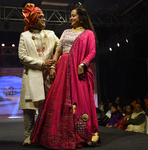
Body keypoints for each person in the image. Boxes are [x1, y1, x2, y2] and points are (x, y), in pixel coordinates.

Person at [31, 6, 100, 149]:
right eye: (71, 16)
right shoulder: (66, 32)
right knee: (58, 101)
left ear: (81, 17)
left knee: (80, 101)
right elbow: (59, 50)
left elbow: (92, 53)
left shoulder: (88, 34)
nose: (71, 18)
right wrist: (52, 67)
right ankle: (54, 135)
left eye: (73, 15)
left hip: (78, 69)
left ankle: (82, 134)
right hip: (62, 68)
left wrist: (83, 64)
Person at [18, 3, 59, 146]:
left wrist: (53, 65)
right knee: (29, 109)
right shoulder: (24, 36)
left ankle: (47, 134)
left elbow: (60, 48)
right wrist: (42, 63)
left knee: (49, 107)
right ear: (33, 19)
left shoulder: (51, 34)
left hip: (49, 76)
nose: (44, 19)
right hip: (31, 75)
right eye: (40, 17)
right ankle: (29, 136)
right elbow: (22, 57)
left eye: (43, 16)